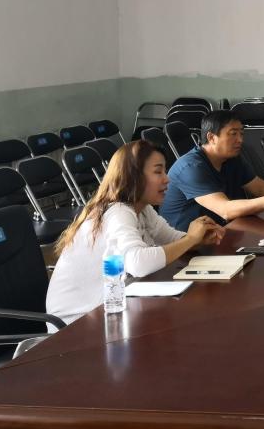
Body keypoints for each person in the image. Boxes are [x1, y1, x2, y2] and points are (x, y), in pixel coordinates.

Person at [46, 140, 225, 327]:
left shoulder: (143, 208)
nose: (167, 179)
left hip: (109, 308)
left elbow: (171, 238)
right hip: (76, 324)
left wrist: (198, 238)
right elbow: (138, 263)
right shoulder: (118, 212)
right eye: (158, 172)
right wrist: (190, 239)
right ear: (133, 176)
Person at [159, 110, 264, 232]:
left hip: (218, 232)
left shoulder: (231, 159)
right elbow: (225, 210)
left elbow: (260, 187)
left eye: (241, 134)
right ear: (212, 137)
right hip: (186, 244)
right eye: (233, 134)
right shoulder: (191, 167)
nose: (240, 139)